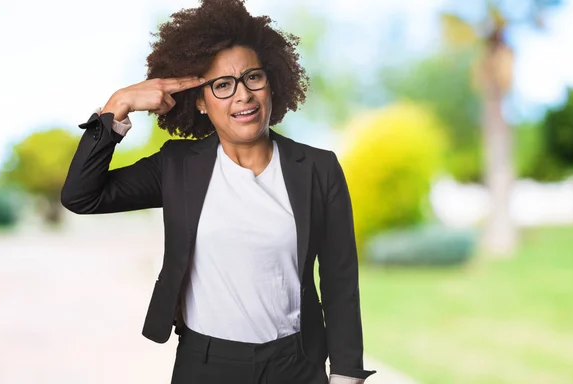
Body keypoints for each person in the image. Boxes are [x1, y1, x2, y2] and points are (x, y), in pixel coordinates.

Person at [61, 0, 376, 383]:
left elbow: (340, 278)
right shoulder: (177, 166)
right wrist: (117, 106)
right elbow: (81, 196)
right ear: (201, 101)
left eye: (253, 78)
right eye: (222, 85)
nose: (242, 95)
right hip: (207, 364)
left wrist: (347, 374)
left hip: (295, 364)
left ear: (271, 82)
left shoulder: (318, 168)